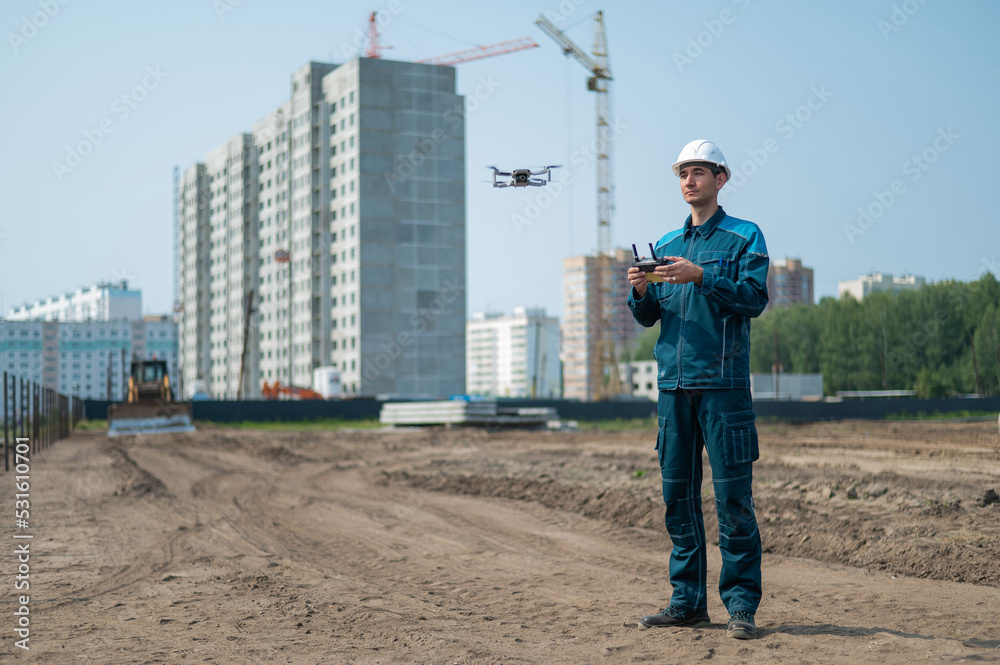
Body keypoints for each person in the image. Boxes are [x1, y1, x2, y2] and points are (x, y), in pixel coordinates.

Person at [627, 139, 769, 640]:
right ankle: (686, 603)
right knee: (676, 500)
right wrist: (641, 291)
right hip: (673, 387)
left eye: (699, 172)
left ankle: (741, 607)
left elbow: (754, 299)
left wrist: (703, 275)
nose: (689, 180)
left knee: (733, 499)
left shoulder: (744, 236)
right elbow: (651, 318)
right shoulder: (667, 244)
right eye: (683, 173)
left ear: (721, 178)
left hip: (724, 386)